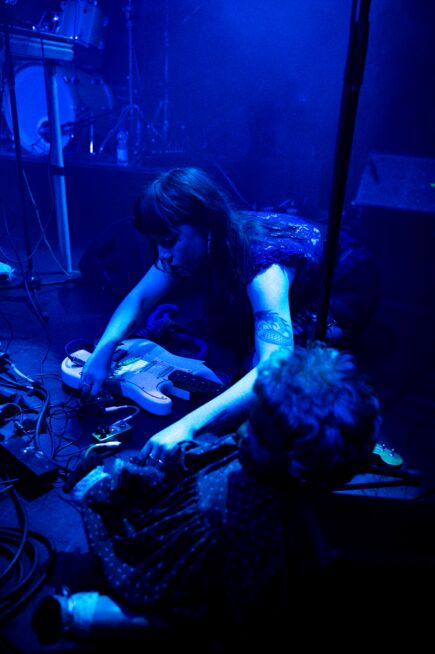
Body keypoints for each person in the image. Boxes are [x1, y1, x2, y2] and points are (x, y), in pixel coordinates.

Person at [37, 342, 381, 650]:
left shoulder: (253, 527)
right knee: (123, 482)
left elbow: (234, 606)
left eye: (260, 437)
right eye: (251, 420)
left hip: (184, 565)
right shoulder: (259, 457)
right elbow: (202, 464)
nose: (243, 432)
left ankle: (83, 616)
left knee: (166, 611)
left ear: (299, 462)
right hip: (188, 510)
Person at [79, 167, 379, 464]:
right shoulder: (204, 236)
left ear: (207, 227)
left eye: (169, 240)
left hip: (345, 285)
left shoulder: (264, 268)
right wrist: (104, 349)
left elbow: (273, 366)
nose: (163, 255)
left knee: (275, 375)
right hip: (297, 264)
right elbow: (141, 297)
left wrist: (188, 427)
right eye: (156, 242)